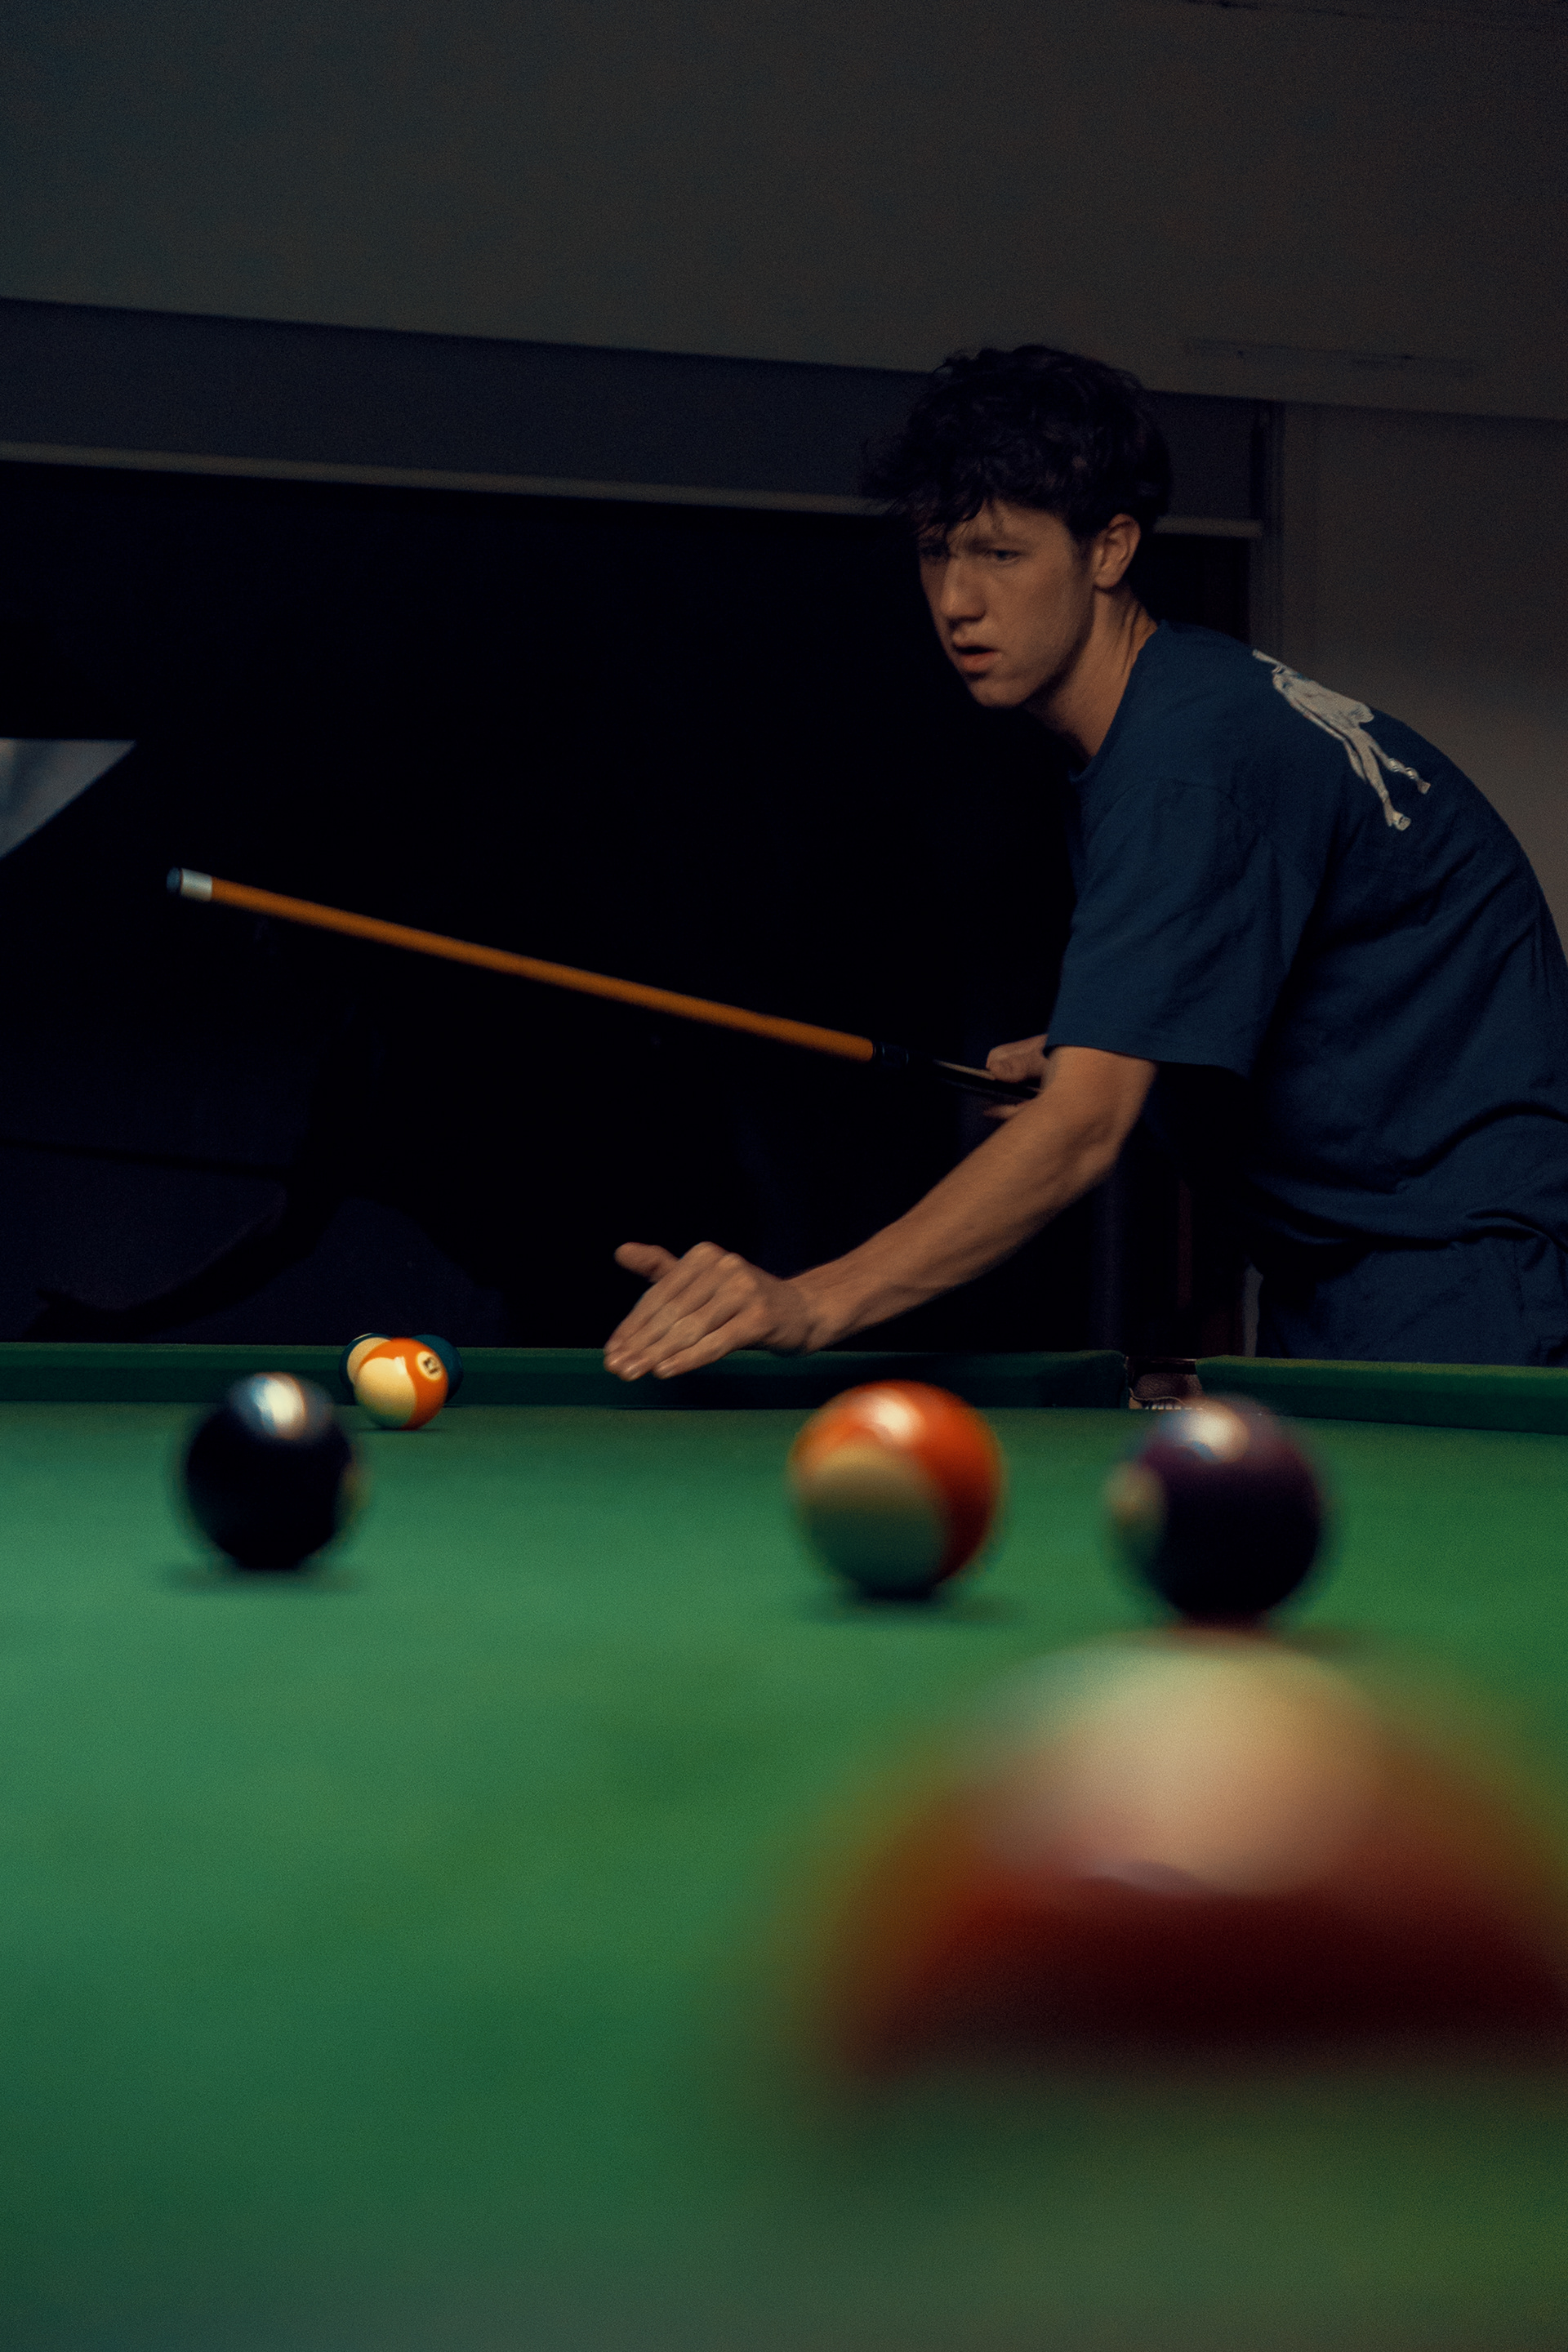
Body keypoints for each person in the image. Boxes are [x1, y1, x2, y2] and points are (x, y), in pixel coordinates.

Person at [604, 345, 1568, 1378]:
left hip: (1459, 1275)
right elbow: (1332, 1001)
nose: (957, 600)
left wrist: (809, 1301)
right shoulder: (1183, 711)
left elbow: (1079, 1133)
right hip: (1361, 1274)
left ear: (1108, 549)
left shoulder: (1182, 761)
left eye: (1000, 554)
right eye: (935, 552)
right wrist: (1118, 1043)